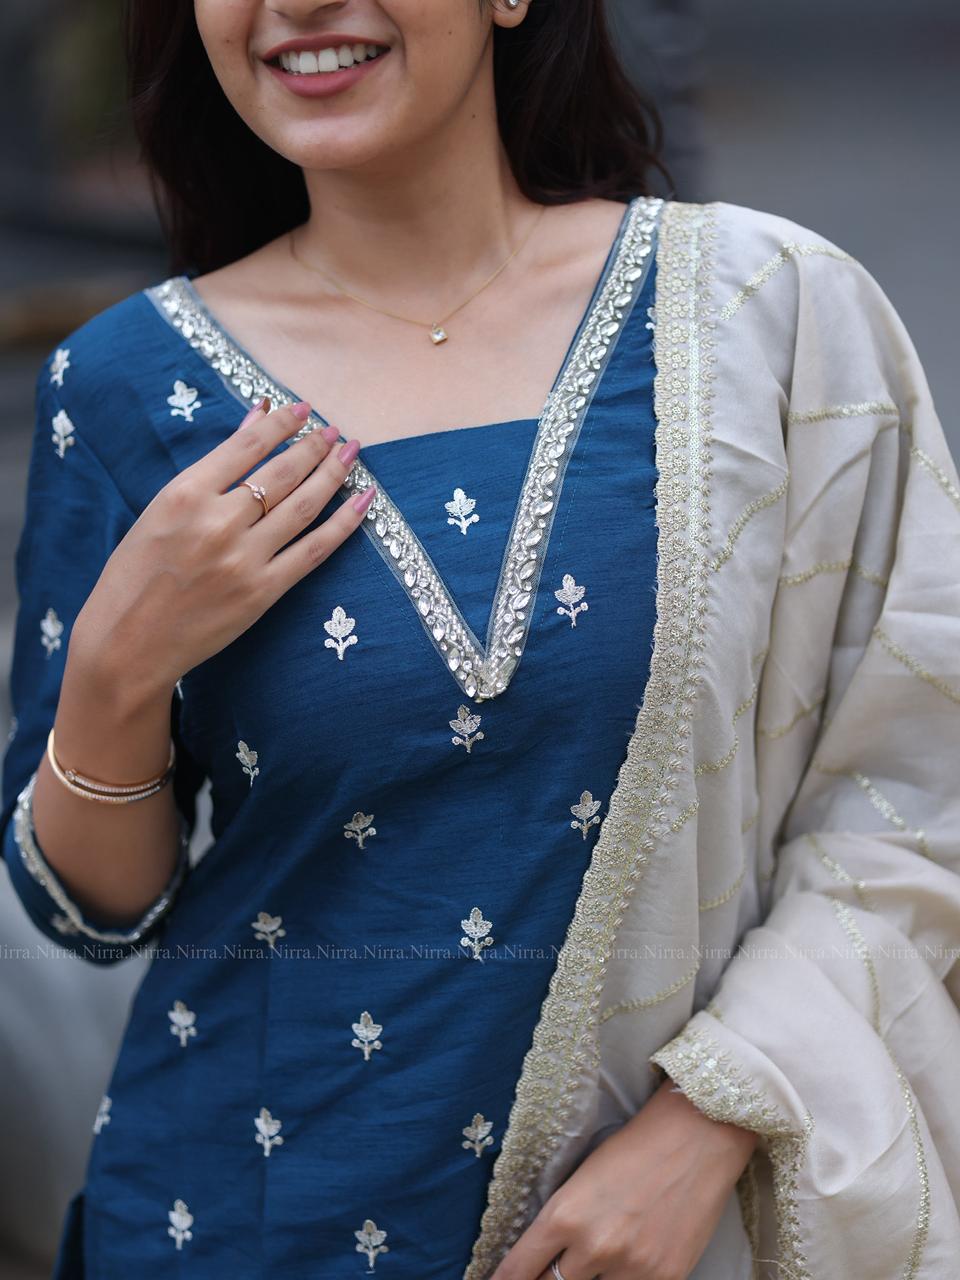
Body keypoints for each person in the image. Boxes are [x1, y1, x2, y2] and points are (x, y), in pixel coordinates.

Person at [2, 0, 959, 1277]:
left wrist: (711, 1115)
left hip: (652, 1237)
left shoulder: (765, 316)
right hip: (228, 1218)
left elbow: (916, 789)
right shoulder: (124, 383)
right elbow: (87, 912)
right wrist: (115, 670)